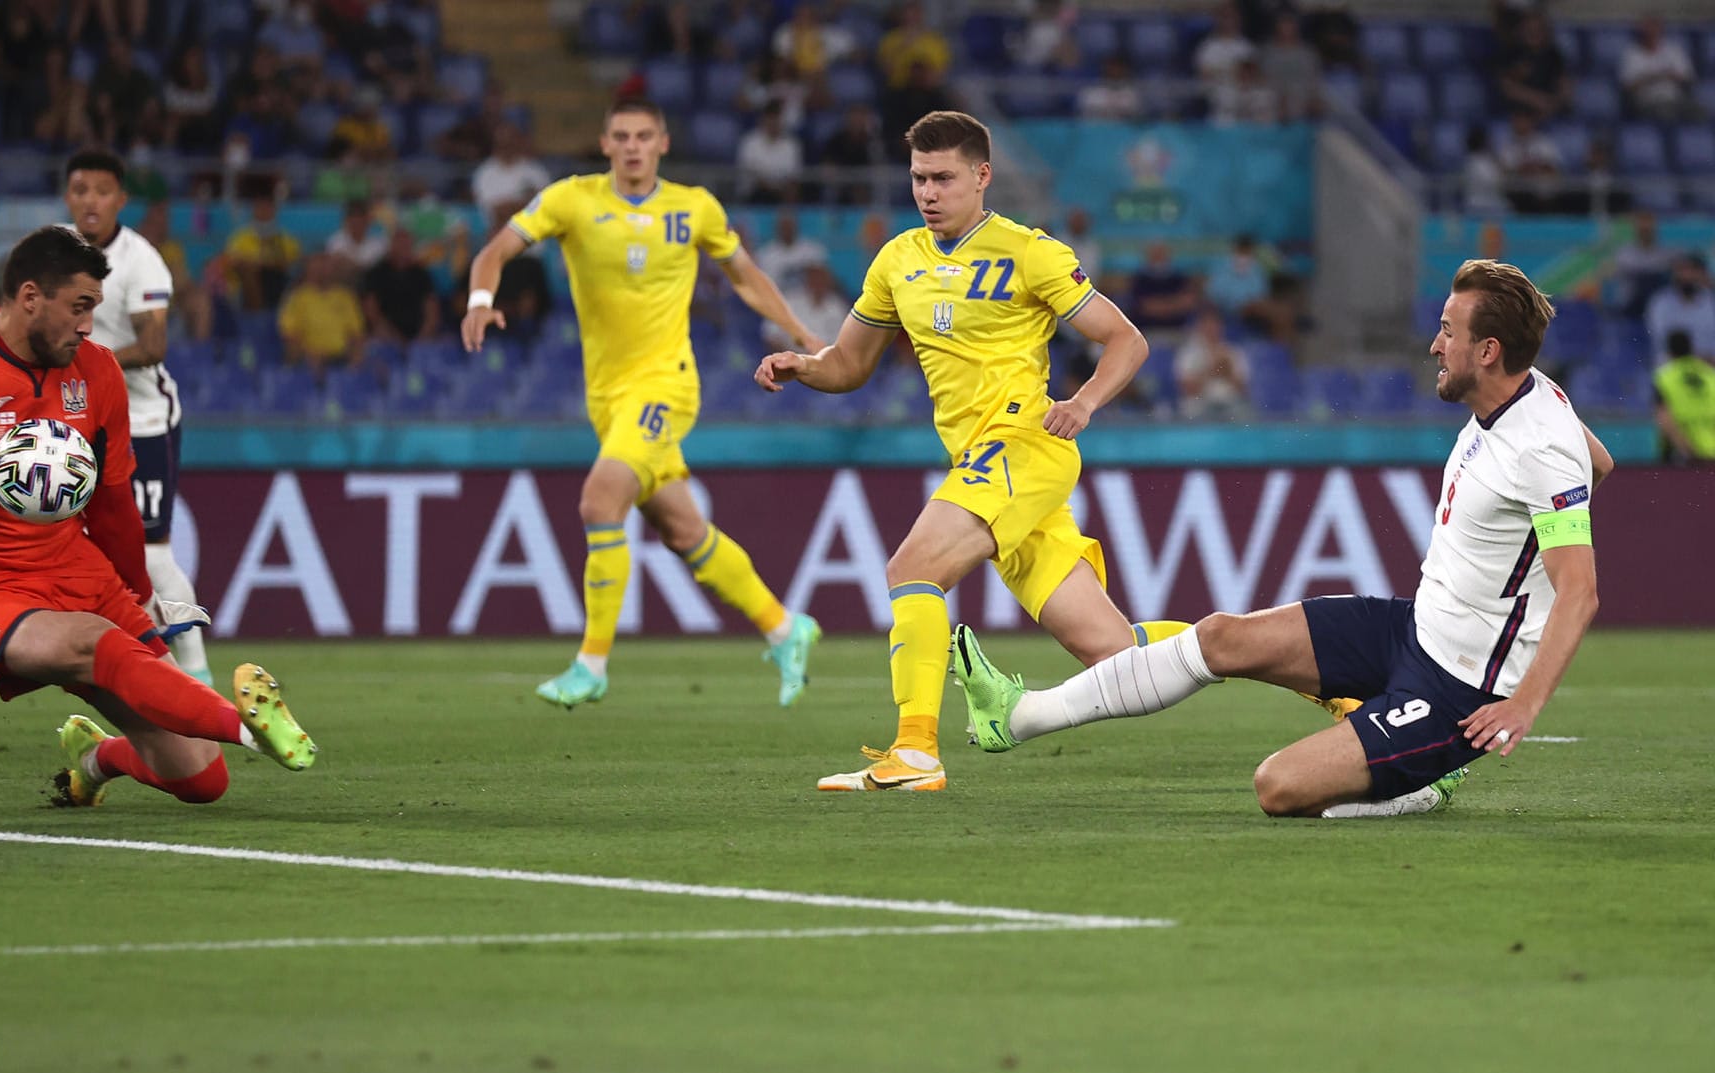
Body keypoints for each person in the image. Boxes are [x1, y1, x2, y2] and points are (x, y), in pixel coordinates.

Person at [954, 259, 1618, 818]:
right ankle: (1018, 715)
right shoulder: (1540, 404)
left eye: (1448, 332)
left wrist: (1524, 703)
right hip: (1414, 629)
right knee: (1221, 636)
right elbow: (1599, 464)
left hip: (1459, 690)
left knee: (1279, 786)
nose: (1434, 345)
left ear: (1489, 350)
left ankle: (1422, 779)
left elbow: (1579, 592)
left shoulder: (1538, 447)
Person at [755, 110, 1170, 793]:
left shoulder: (1029, 251)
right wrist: (807, 364)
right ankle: (1314, 671)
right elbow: (850, 364)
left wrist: (1084, 401)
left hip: (1025, 443)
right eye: (918, 178)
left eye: (943, 178)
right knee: (1111, 649)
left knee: (912, 565)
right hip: (979, 460)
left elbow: (1127, 339)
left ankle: (915, 751)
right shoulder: (898, 260)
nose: (927, 192)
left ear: (981, 176)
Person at [0, 226, 317, 806]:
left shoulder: (98, 372)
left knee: (201, 779)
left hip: (77, 572)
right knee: (96, 641)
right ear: (31, 297)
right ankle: (248, 728)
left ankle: (95, 759)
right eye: (80, 307)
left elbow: (114, 505)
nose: (89, 326)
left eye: (96, 308)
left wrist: (138, 594)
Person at [463, 98, 826, 709]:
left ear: (662, 143)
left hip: (667, 385)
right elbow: (494, 251)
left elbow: (745, 276)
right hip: (607, 397)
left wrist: (804, 335)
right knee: (685, 531)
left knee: (599, 500)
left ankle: (591, 664)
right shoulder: (569, 200)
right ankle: (787, 629)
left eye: (644, 136)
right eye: (621, 136)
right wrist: (479, 300)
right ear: (605, 144)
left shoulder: (694, 207)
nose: (632, 146)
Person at [62, 150, 212, 688]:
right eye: (80, 190)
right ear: (68, 197)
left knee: (151, 554)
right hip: (74, 424)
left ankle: (198, 679)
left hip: (142, 419)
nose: (90, 201)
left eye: (102, 191)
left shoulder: (141, 258)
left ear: (120, 199)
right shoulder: (51, 252)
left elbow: (152, 344)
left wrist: (83, 363)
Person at [1653, 329, 1715, 464]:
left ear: (1669, 351)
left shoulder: (1664, 376)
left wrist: (1686, 450)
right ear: (1691, 347)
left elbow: (1664, 418)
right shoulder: (1710, 374)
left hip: (1682, 455)